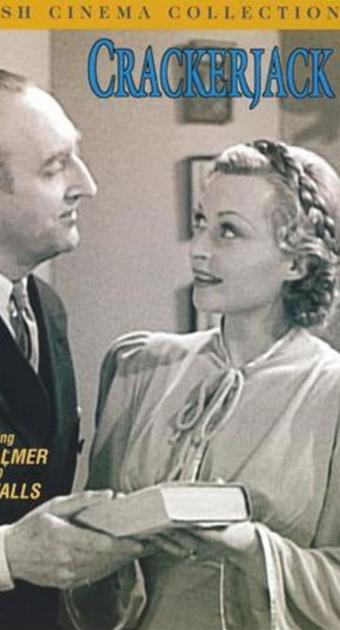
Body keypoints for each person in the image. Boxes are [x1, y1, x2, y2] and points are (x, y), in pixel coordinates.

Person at [68, 140, 340, 629]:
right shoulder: (140, 366)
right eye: (200, 223)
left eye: (228, 231)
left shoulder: (332, 393)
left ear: (297, 263)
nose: (198, 249)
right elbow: (86, 568)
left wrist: (249, 545)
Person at [0, 68, 144, 629]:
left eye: (75, 155)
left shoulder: (47, 307)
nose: (86, 184)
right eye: (53, 167)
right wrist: (3, 555)